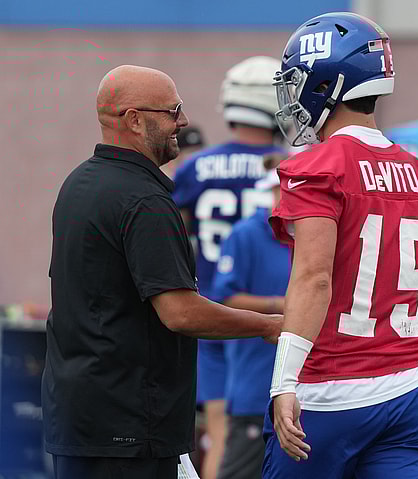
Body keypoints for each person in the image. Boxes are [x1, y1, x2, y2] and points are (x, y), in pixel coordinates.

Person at [42, 64, 282, 479]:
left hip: (77, 414)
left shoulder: (78, 183)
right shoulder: (145, 199)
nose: (183, 122)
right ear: (134, 120)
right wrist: (269, 324)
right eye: (173, 111)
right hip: (131, 426)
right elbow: (180, 312)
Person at [263, 13, 418, 479]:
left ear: (327, 84)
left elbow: (314, 277)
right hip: (411, 393)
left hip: (330, 396)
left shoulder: (319, 167)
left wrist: (284, 381)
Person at [172, 56, 285, 479]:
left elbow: (173, 234)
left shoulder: (197, 167)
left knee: (221, 432)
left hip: (210, 310)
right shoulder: (291, 164)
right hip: (270, 314)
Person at [210, 154, 290, 479]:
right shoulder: (247, 234)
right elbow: (225, 297)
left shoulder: (316, 234)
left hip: (308, 391)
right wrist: (281, 305)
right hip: (256, 387)